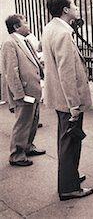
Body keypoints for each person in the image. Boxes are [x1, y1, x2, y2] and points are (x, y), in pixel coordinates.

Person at [41, 0, 93, 201]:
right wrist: (74, 104)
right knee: (70, 142)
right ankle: (69, 187)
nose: (77, 9)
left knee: (66, 140)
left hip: (59, 97)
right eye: (74, 5)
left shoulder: (51, 27)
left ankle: (69, 176)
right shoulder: (62, 33)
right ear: (65, 10)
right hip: (68, 99)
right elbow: (66, 73)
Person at [2, 14, 46, 167]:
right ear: (16, 27)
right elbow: (11, 72)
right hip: (24, 92)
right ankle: (16, 155)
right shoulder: (10, 43)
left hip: (33, 89)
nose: (28, 25)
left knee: (32, 121)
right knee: (22, 123)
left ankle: (28, 146)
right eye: (25, 22)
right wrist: (19, 94)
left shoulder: (25, 41)